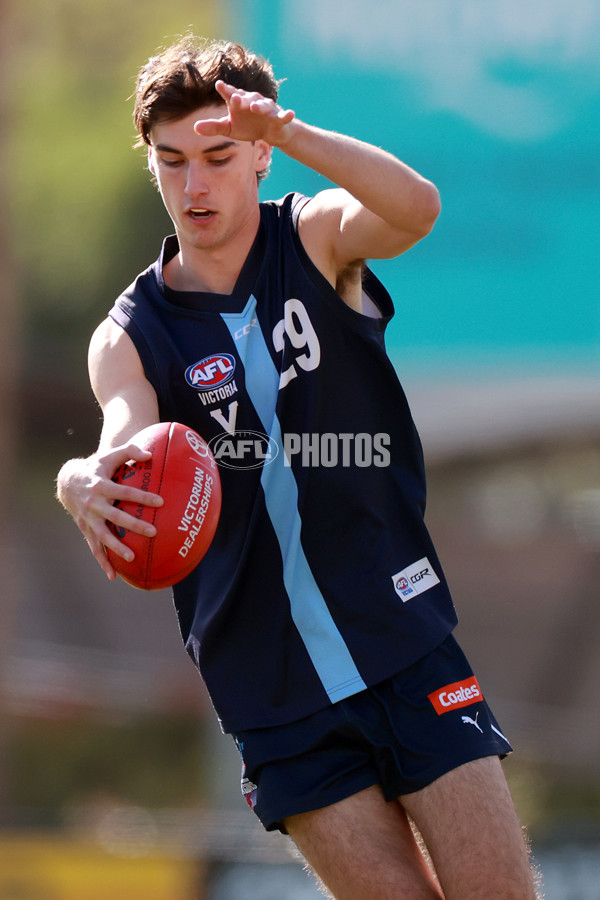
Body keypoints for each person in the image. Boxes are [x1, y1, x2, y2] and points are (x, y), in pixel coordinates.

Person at [56, 36, 538, 899]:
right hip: (270, 685)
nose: (194, 187)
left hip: (402, 635)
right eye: (171, 163)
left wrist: (294, 129)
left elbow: (416, 208)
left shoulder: (312, 237)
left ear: (260, 154)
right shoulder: (130, 333)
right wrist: (79, 478)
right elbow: (124, 437)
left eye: (217, 156)